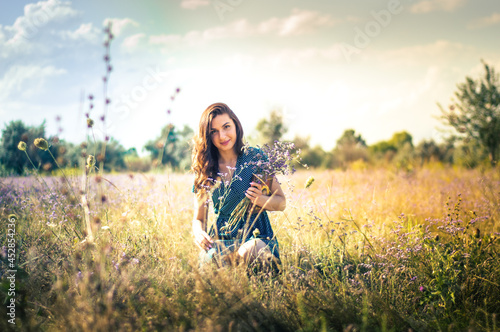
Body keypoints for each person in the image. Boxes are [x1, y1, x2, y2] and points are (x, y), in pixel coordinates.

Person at [191, 102, 286, 267]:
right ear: (207, 136)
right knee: (211, 266)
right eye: (214, 131)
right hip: (221, 240)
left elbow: (281, 202)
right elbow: (199, 219)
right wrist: (199, 233)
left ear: (236, 125)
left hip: (258, 238)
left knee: (248, 252)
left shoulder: (255, 158)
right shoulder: (205, 168)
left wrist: (260, 199)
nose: (222, 136)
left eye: (226, 126)